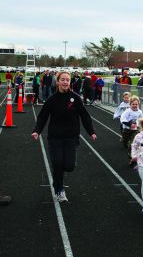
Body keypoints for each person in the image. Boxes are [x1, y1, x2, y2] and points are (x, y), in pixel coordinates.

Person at [31, 71, 97, 202]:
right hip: (55, 137)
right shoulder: (52, 99)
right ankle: (59, 189)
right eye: (63, 79)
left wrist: (91, 132)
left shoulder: (76, 98)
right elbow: (43, 116)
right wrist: (37, 131)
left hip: (71, 137)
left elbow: (85, 116)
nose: (65, 82)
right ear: (58, 81)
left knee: (69, 166)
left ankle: (60, 181)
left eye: (67, 80)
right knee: (57, 163)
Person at [120, 95, 143, 164]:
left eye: (136, 104)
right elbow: (123, 120)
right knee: (125, 140)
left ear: (138, 104)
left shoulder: (140, 112)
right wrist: (130, 124)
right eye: (133, 104)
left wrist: (139, 125)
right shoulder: (127, 111)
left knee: (133, 143)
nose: (135, 105)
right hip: (127, 129)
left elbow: (141, 120)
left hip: (135, 130)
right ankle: (124, 141)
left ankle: (131, 157)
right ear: (130, 104)